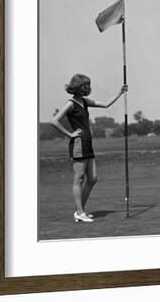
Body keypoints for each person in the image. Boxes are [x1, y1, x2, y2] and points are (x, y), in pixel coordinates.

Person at [51, 74, 127, 222]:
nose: (87, 87)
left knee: (92, 179)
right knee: (78, 178)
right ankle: (79, 212)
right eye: (84, 85)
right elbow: (54, 121)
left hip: (88, 142)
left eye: (88, 85)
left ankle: (80, 211)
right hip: (78, 143)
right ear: (77, 86)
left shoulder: (84, 102)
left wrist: (120, 92)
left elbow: (105, 104)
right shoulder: (71, 103)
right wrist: (70, 134)